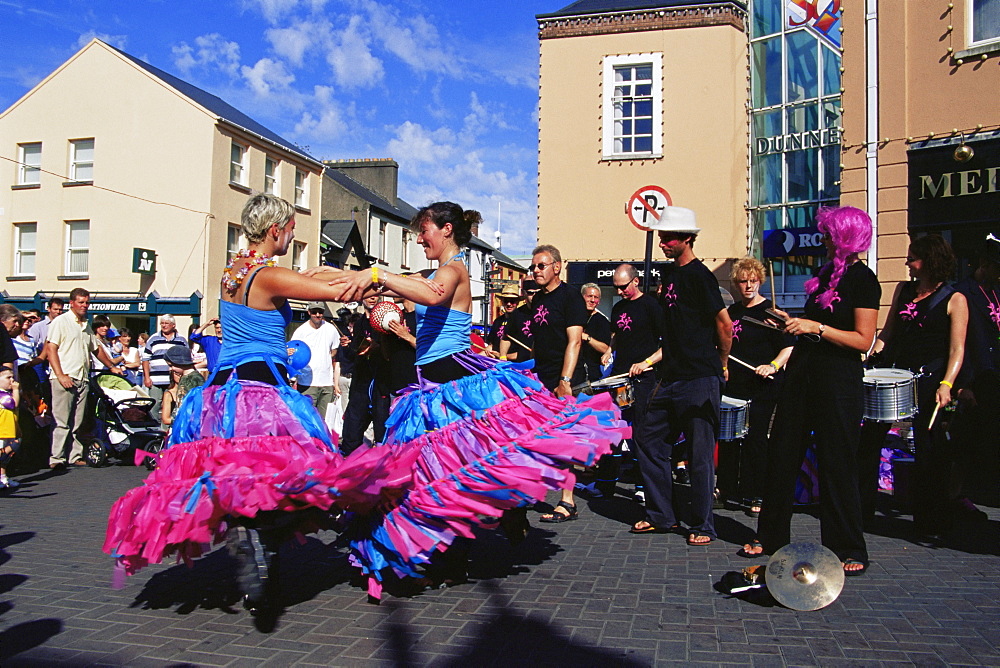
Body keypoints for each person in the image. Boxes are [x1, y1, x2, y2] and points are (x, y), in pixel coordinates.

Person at [309, 201, 626, 594]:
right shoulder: (432, 270)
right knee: (437, 476)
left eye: (423, 230)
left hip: (454, 384)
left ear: (445, 230)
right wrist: (343, 275)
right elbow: (397, 286)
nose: (419, 238)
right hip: (428, 389)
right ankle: (460, 548)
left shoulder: (453, 269)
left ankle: (494, 520)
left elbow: (430, 293)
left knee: (455, 470)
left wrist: (377, 273)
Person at [742, 206, 880, 577]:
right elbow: (813, 326)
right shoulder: (823, 277)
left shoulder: (862, 279)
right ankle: (770, 535)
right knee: (783, 453)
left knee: (838, 462)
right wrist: (791, 324)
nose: (823, 239)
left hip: (838, 381)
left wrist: (816, 328)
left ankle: (847, 545)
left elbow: (863, 339)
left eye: (829, 233)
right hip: (803, 375)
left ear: (846, 237)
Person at [627, 211, 732, 546]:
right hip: (670, 375)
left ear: (687, 238)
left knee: (700, 454)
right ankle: (662, 515)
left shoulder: (701, 276)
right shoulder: (668, 275)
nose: (663, 243)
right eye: (661, 237)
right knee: (646, 436)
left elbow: (725, 326)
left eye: (670, 237)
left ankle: (703, 525)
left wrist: (722, 363)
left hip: (700, 376)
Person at [857, 234, 967, 532]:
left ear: (930, 261)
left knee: (927, 448)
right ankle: (861, 509)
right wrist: (868, 362)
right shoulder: (904, 290)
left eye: (913, 258)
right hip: (894, 372)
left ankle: (929, 517)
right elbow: (887, 333)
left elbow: (957, 349)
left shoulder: (954, 298)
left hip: (929, 378)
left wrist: (947, 383)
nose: (908, 263)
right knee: (869, 440)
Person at [717, 258, 794, 517]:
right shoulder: (733, 313)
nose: (748, 285)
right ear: (736, 283)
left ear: (760, 281)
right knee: (728, 439)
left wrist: (772, 365)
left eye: (752, 280)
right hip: (735, 384)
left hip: (763, 385)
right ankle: (727, 489)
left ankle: (757, 493)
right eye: (743, 281)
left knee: (755, 438)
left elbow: (789, 346)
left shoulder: (772, 312)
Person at [522, 244, 590, 523]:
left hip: (564, 380)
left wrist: (565, 380)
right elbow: (539, 343)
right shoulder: (537, 300)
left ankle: (567, 501)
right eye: (534, 266)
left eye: (542, 265)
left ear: (557, 267)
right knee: (536, 439)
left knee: (564, 440)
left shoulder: (571, 297)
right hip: (540, 377)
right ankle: (531, 491)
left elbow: (574, 340)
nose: (536, 270)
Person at [595, 264, 664, 501]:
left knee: (641, 433)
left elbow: (667, 345)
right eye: (616, 287)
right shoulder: (619, 307)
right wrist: (610, 352)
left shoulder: (652, 306)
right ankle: (605, 483)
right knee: (614, 429)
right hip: (622, 377)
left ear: (635, 281)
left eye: (623, 286)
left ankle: (643, 486)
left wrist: (647, 362)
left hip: (644, 379)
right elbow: (617, 335)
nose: (620, 291)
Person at [45, 288, 123, 469]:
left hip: (82, 377)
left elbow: (95, 349)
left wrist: (111, 366)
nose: (84, 306)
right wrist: (60, 375)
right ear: (71, 303)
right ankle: (56, 458)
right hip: (64, 377)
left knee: (78, 422)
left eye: (87, 302)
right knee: (61, 421)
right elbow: (51, 349)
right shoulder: (61, 322)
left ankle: (75, 455)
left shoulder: (86, 325)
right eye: (81, 302)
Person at [951, 233, 1000, 517]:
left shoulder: (994, 291)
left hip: (992, 376)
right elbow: (960, 342)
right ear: (984, 263)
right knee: (964, 441)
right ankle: (955, 495)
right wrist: (962, 384)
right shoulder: (964, 293)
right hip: (974, 377)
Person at [338, 294, 386, 455]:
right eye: (369, 294)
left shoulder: (384, 321)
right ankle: (348, 465)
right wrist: (347, 346)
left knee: (382, 428)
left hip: (380, 382)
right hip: (360, 383)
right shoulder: (359, 323)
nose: (373, 297)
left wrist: (377, 347)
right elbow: (354, 355)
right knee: (352, 427)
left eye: (376, 294)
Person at [291, 302, 340, 420]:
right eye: (314, 312)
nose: (317, 315)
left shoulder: (330, 328)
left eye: (320, 312)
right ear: (309, 312)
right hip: (307, 382)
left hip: (326, 383)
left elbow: (334, 351)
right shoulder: (301, 331)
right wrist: (294, 379)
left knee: (323, 421)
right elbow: (293, 354)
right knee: (308, 419)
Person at [141, 315, 188, 422]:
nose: (164, 325)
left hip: (174, 380)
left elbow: (186, 359)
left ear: (173, 325)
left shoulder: (181, 340)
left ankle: (167, 430)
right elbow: (145, 359)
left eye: (166, 323)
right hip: (156, 380)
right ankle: (152, 428)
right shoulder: (153, 339)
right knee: (154, 404)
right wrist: (146, 377)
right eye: (162, 323)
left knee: (172, 405)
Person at [159, 346, 206, 437]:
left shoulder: (195, 378)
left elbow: (199, 404)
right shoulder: (185, 377)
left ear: (180, 362)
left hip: (189, 426)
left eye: (171, 365)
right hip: (182, 423)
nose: (170, 369)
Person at [499, 280, 538, 363]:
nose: (534, 295)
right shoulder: (516, 314)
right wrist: (503, 356)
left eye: (537, 292)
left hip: (544, 362)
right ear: (525, 294)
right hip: (522, 364)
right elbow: (506, 337)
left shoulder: (548, 310)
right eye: (531, 293)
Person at [579, 283, 611, 383]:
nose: (592, 300)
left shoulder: (602, 321)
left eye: (596, 297)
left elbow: (605, 348)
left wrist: (587, 338)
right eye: (589, 296)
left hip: (591, 374)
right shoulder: (573, 316)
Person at [485, 283, 521, 358]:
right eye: (506, 300)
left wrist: (502, 356)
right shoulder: (498, 321)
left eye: (512, 301)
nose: (509, 304)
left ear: (517, 302)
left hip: (515, 365)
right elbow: (492, 343)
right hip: (496, 362)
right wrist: (489, 348)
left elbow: (525, 353)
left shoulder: (523, 321)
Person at [0, 367, 21, 490]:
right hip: (1, 431)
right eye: (8, 378)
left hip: (9, 430)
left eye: (13, 377)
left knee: (5, 458)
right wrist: (16, 390)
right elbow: (14, 404)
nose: (12, 380)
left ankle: (3, 477)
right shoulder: (3, 395)